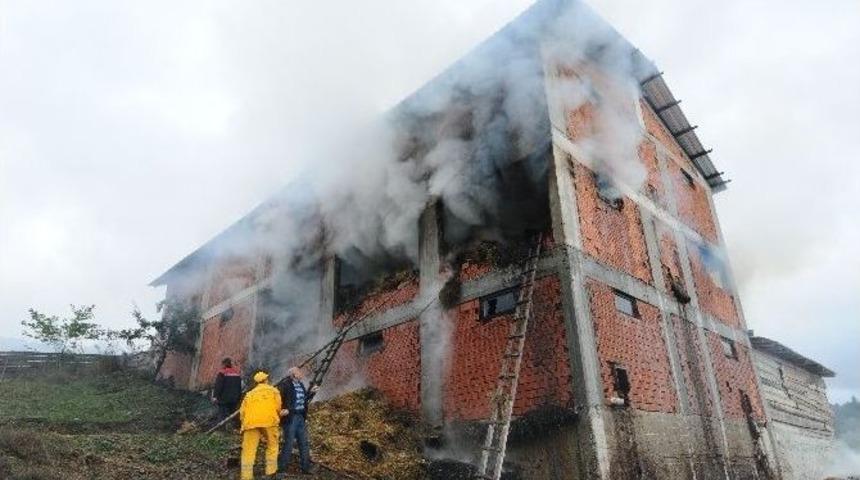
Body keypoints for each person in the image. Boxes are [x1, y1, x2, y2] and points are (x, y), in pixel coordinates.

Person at [239, 371, 282, 480]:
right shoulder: (274, 391)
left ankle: (246, 477)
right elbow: (278, 407)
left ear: (256, 383)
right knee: (272, 446)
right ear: (266, 380)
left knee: (248, 451)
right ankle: (270, 472)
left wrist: (244, 423)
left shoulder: (249, 394)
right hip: (269, 422)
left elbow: (242, 413)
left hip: (250, 423)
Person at [277, 367, 319, 476]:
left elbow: (304, 399)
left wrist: (312, 393)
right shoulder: (285, 384)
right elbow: (278, 398)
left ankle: (306, 468)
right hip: (290, 417)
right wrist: (281, 410)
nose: (301, 373)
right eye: (299, 372)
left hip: (300, 417)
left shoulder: (300, 384)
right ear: (293, 374)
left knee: (304, 443)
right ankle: (281, 470)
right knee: (289, 443)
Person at [212, 358, 242, 425]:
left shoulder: (222, 373)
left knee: (222, 416)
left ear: (224, 364)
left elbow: (218, 386)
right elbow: (239, 387)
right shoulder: (237, 374)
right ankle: (231, 427)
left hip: (223, 399)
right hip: (234, 399)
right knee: (231, 416)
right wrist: (238, 398)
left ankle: (222, 429)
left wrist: (215, 396)